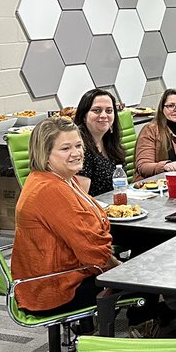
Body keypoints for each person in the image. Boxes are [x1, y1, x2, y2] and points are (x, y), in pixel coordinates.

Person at [11, 116, 119, 315]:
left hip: (54, 277)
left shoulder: (62, 179)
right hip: (54, 289)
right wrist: (120, 267)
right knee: (145, 275)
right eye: (65, 148)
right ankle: (145, 326)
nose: (76, 153)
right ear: (45, 155)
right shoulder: (51, 190)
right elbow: (93, 253)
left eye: (78, 145)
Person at [73, 88, 126, 197]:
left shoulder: (110, 141)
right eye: (97, 110)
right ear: (84, 116)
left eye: (109, 111)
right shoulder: (80, 147)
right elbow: (81, 198)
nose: (103, 115)